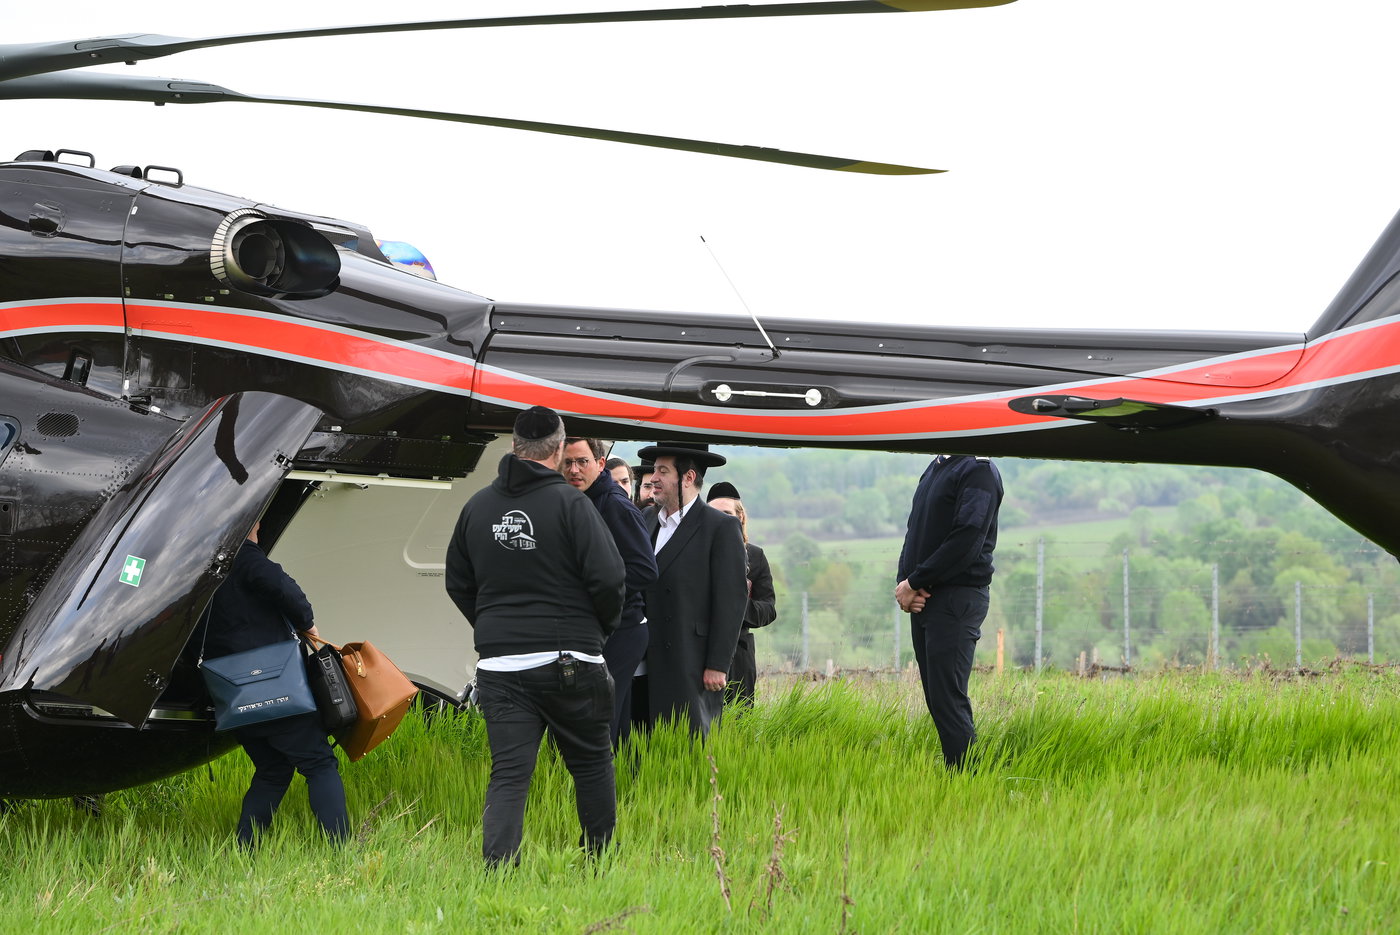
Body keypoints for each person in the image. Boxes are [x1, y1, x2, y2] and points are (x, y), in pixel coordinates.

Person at [445, 407, 625, 867]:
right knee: (590, 764)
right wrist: (596, 633)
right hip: (570, 661)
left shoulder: (478, 507)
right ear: (560, 450)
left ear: (513, 447)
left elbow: (457, 582)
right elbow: (609, 579)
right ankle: (599, 863)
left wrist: (496, 630)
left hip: (501, 669)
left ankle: (499, 872)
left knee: (509, 775)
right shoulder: (572, 505)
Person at [204, 521, 349, 848]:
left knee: (273, 769)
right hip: (276, 683)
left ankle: (244, 851)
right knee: (319, 763)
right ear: (254, 520)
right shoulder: (244, 557)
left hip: (234, 695)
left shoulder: (201, 564)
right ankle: (342, 851)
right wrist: (308, 624)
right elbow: (285, 590)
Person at [894, 454, 1003, 769]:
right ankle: (958, 773)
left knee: (948, 698)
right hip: (924, 597)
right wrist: (904, 586)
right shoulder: (938, 465)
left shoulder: (979, 470)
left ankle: (967, 779)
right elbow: (915, 532)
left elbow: (967, 538)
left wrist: (916, 580)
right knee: (936, 698)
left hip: (957, 597)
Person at [636, 441, 747, 738]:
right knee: (639, 744)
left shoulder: (720, 527)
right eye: (654, 470)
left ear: (688, 477)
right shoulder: (646, 520)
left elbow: (731, 601)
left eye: (662, 470)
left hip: (690, 660)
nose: (653, 478)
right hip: (641, 658)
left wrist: (717, 665)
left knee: (685, 744)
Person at [562, 437, 658, 747]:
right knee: (616, 722)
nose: (574, 470)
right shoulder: (575, 499)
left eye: (582, 462)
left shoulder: (615, 505)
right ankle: (626, 789)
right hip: (595, 628)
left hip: (622, 629)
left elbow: (645, 570)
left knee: (599, 720)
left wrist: (589, 591)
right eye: (567, 462)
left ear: (601, 464)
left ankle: (597, 790)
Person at [705, 482, 777, 706]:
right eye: (714, 514)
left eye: (727, 514)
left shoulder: (755, 556)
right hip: (699, 651)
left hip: (740, 654)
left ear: (741, 517)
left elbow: (768, 609)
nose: (721, 520)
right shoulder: (693, 555)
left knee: (739, 720)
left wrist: (734, 605)